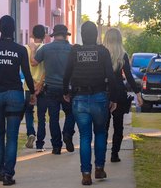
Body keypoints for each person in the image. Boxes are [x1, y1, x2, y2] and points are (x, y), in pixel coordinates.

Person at [0, 15, 35, 186]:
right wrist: (33, 93)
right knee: (12, 136)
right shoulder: (20, 49)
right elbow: (27, 73)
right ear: (13, 29)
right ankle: (8, 175)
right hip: (14, 95)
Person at [63, 21, 117, 185]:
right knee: (100, 134)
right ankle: (99, 169)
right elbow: (111, 76)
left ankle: (86, 174)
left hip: (79, 98)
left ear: (82, 35)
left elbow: (67, 74)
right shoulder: (103, 51)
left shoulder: (75, 52)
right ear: (95, 35)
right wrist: (113, 98)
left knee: (85, 137)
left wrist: (65, 92)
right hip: (100, 98)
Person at [30, 24, 76, 155]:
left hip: (50, 88)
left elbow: (33, 62)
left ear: (54, 35)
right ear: (66, 35)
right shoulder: (72, 49)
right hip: (68, 88)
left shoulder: (46, 48)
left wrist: (33, 49)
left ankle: (56, 146)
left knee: (53, 118)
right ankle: (67, 133)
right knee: (71, 113)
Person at [103, 28, 143, 163]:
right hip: (119, 92)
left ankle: (101, 153)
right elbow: (129, 77)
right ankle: (114, 154)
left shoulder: (102, 53)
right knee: (118, 126)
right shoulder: (123, 54)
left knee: (103, 126)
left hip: (104, 92)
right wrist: (138, 93)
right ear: (119, 39)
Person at [24, 25, 47, 152]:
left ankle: (30, 133)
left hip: (28, 86)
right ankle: (40, 144)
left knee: (29, 112)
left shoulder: (25, 48)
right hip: (42, 86)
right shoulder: (46, 48)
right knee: (41, 115)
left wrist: (32, 82)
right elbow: (47, 68)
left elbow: (24, 68)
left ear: (32, 34)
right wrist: (39, 83)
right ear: (44, 35)